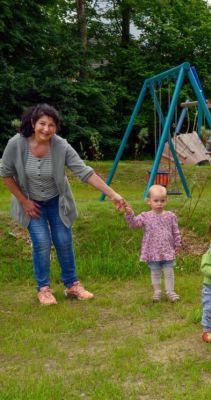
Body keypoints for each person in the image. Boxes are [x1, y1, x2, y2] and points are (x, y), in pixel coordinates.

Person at [0, 103, 125, 305]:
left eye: (51, 125)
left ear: (56, 127)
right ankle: (44, 289)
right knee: (41, 242)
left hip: (57, 201)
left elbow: (85, 172)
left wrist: (113, 194)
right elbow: (5, 174)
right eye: (42, 123)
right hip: (31, 203)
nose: (46, 129)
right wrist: (24, 202)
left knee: (64, 240)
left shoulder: (60, 146)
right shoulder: (16, 144)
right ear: (33, 123)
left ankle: (72, 285)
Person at [124, 185, 181, 302]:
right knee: (155, 272)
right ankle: (157, 291)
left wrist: (177, 244)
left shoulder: (170, 216)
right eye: (156, 200)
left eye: (162, 200)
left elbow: (175, 231)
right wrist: (129, 214)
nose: (159, 203)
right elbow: (134, 225)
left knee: (169, 272)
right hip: (153, 250)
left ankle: (170, 291)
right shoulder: (146, 216)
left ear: (166, 200)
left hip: (167, 250)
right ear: (149, 201)